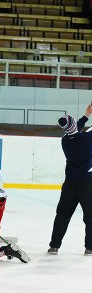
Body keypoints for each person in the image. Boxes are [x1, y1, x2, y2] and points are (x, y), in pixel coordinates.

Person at [48, 104, 92, 255]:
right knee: (90, 217)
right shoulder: (87, 139)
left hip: (69, 185)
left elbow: (75, 128)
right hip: (87, 184)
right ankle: (90, 248)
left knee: (62, 215)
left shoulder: (65, 140)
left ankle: (54, 246)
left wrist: (86, 116)